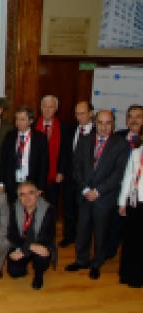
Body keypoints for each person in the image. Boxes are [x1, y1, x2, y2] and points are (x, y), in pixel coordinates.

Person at [65, 110, 128, 280]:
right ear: (95, 122)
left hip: (104, 198)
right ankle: (81, 260)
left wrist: (98, 191)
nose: (104, 127)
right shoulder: (84, 140)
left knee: (101, 233)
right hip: (85, 195)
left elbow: (118, 174)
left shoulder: (120, 144)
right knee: (82, 230)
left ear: (113, 124)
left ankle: (96, 263)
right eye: (101, 122)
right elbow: (76, 167)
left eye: (108, 123)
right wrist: (85, 190)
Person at [107, 104, 143, 258]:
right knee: (113, 225)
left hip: (138, 195)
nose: (134, 120)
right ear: (126, 121)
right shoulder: (116, 137)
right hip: (115, 190)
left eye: (138, 116)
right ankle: (110, 252)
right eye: (130, 116)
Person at [7, 181, 56, 290]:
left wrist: (32, 247)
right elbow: (12, 235)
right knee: (14, 272)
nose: (27, 197)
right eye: (22, 194)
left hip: (40, 244)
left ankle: (38, 275)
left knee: (42, 255)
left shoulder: (49, 210)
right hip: (21, 245)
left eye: (31, 193)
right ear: (18, 197)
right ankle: (25, 263)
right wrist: (28, 247)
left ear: (38, 194)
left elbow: (47, 237)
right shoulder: (13, 209)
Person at [59, 101, 94, 248]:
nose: (78, 117)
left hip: (87, 179)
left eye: (82, 113)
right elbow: (64, 153)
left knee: (84, 212)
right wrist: (61, 171)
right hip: (68, 177)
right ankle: (69, 236)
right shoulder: (69, 129)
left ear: (90, 113)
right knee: (68, 209)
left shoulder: (97, 131)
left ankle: (82, 238)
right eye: (76, 114)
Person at [0, 106, 49, 204]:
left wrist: (40, 187)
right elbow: (3, 160)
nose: (18, 122)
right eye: (17, 119)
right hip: (12, 182)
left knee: (29, 211)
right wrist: (1, 182)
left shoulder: (40, 138)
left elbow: (44, 164)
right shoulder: (10, 136)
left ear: (30, 121)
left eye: (22, 119)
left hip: (31, 182)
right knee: (13, 210)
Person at [34, 95, 70, 207]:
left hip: (54, 176)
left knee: (51, 207)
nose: (47, 110)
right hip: (35, 174)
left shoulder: (64, 128)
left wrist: (61, 171)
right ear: (41, 107)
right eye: (44, 106)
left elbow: (65, 152)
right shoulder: (33, 125)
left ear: (56, 109)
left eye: (51, 107)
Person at [118, 141, 143, 288]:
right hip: (134, 203)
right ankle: (128, 275)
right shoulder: (135, 153)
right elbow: (127, 178)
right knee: (131, 240)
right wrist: (122, 202)